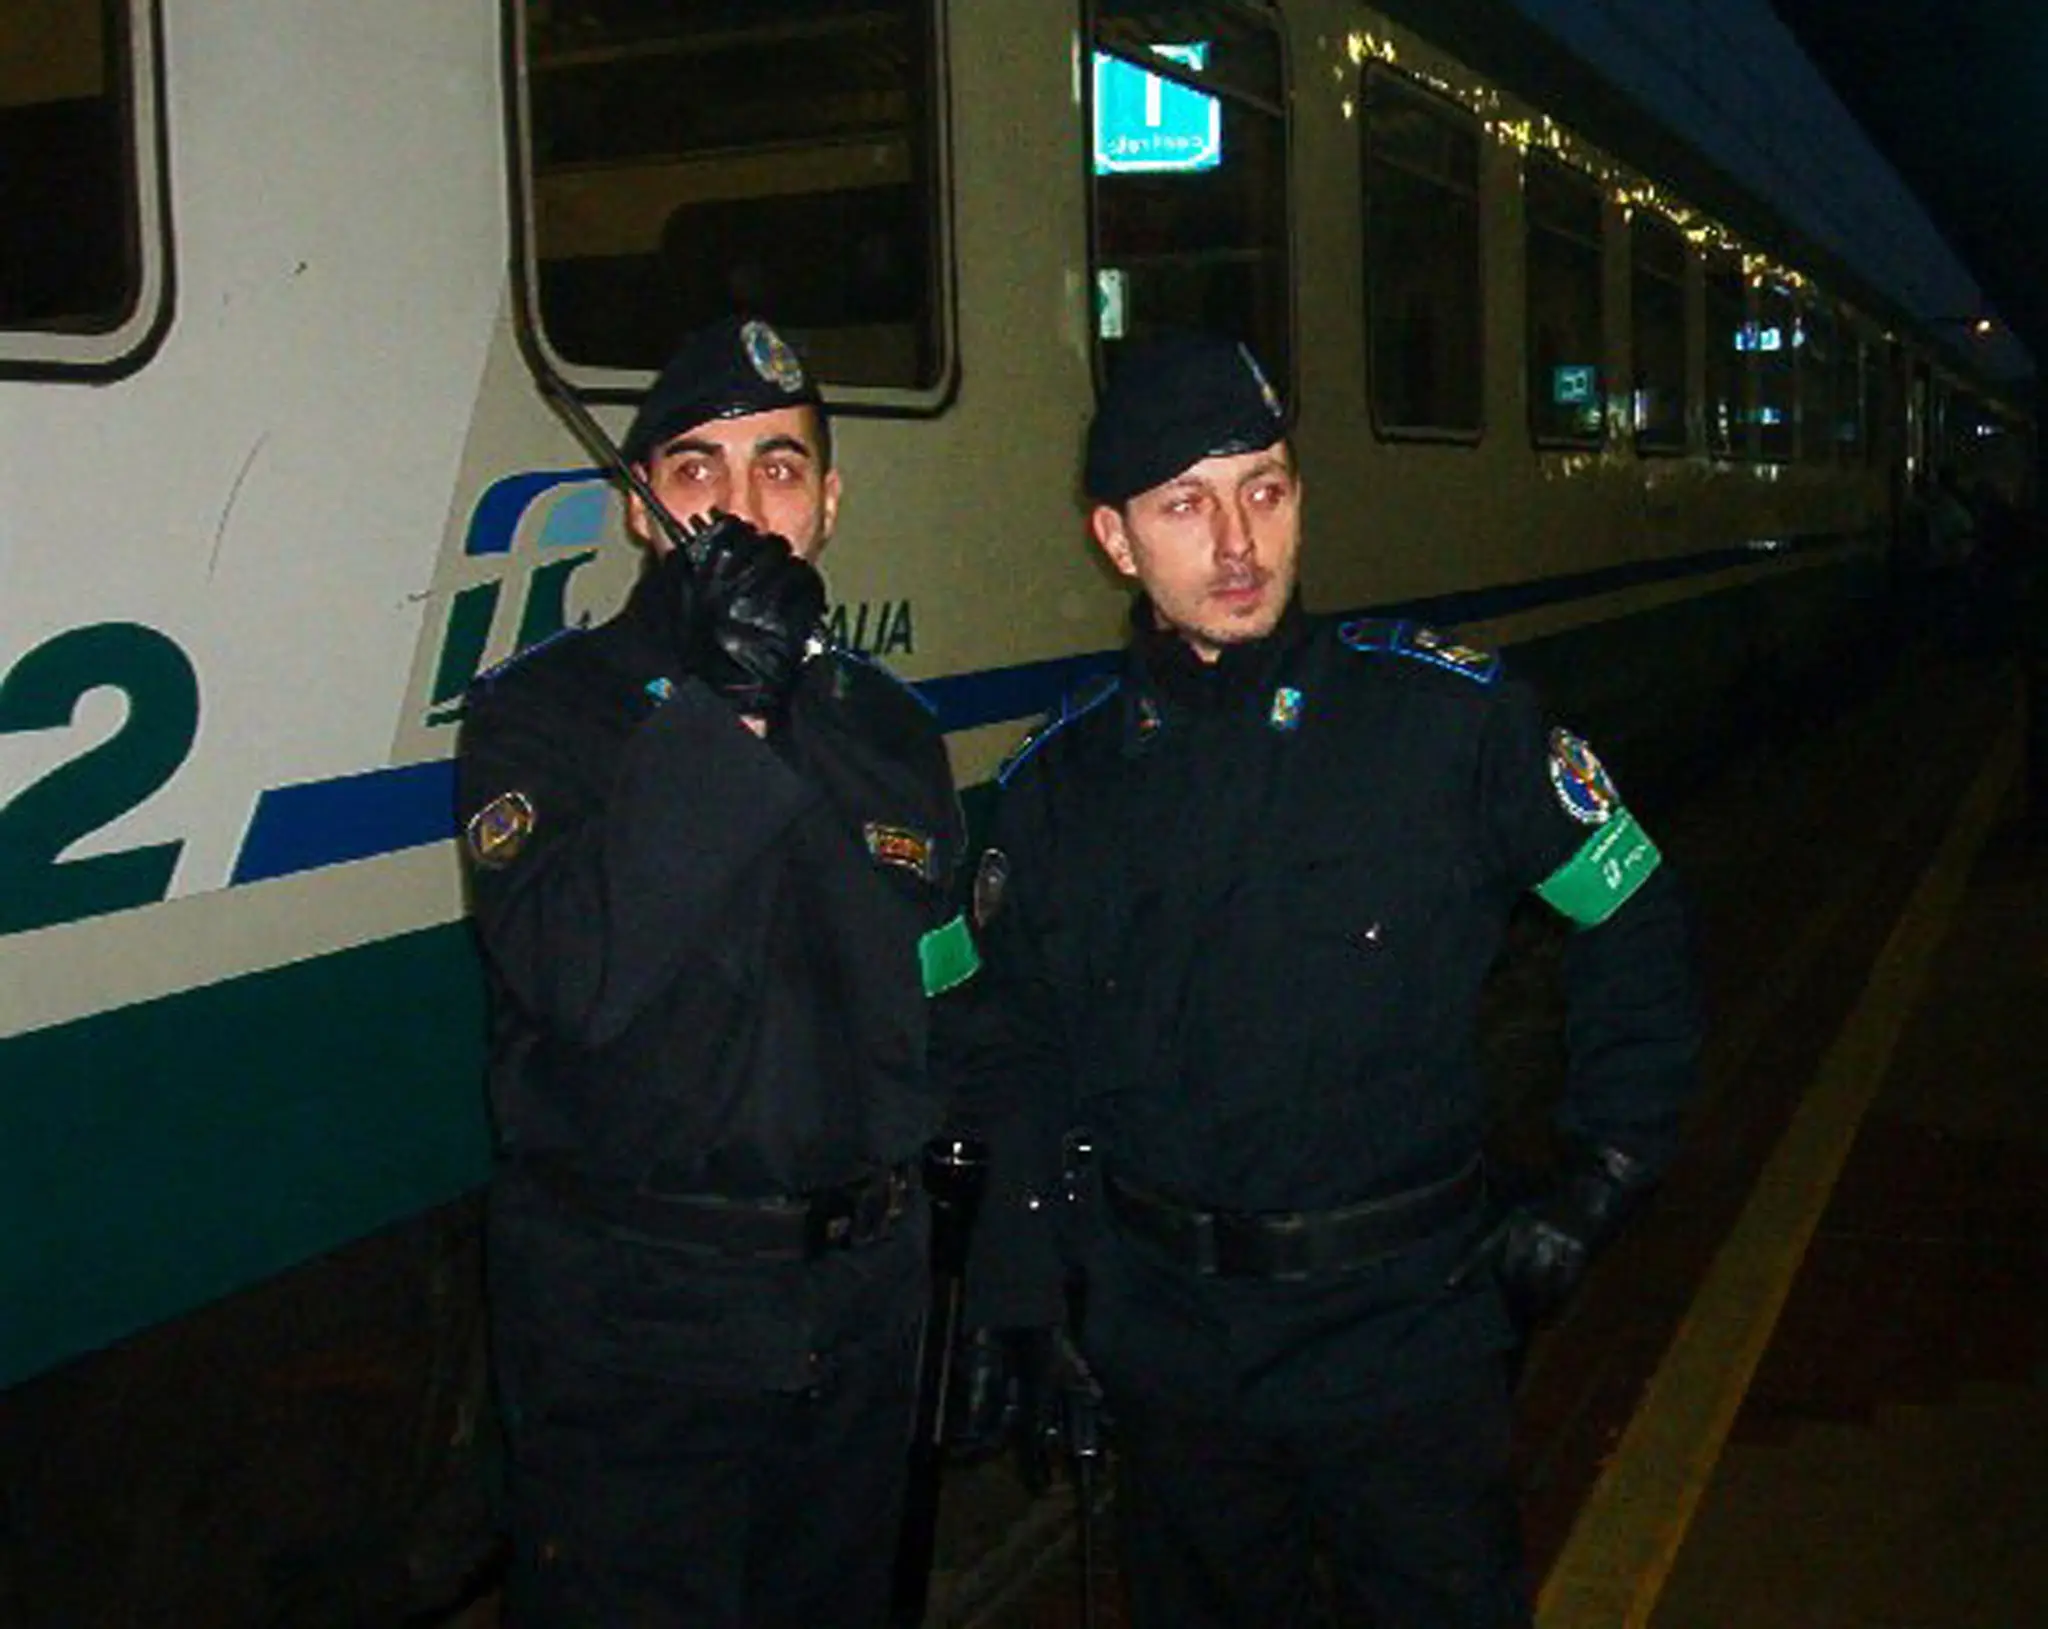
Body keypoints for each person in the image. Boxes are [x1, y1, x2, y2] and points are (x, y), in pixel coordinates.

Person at [950, 331, 1702, 1627]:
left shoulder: (1450, 725)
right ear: (1115, 540)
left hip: (1406, 1336)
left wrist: (1604, 1174)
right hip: (1174, 1352)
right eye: (1187, 504)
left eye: (1266, 488)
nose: (1237, 543)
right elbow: (1008, 1045)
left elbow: (1633, 912)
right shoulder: (1054, 795)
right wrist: (1027, 1292)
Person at [455, 315, 977, 1628]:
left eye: (781, 469)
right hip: (634, 1316)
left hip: (858, 1308)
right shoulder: (543, 715)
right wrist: (725, 715)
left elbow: (939, 990)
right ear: (640, 514)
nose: (742, 511)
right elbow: (573, 979)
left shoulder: (891, 729)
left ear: (830, 502)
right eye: (697, 472)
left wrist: (988, 1266)